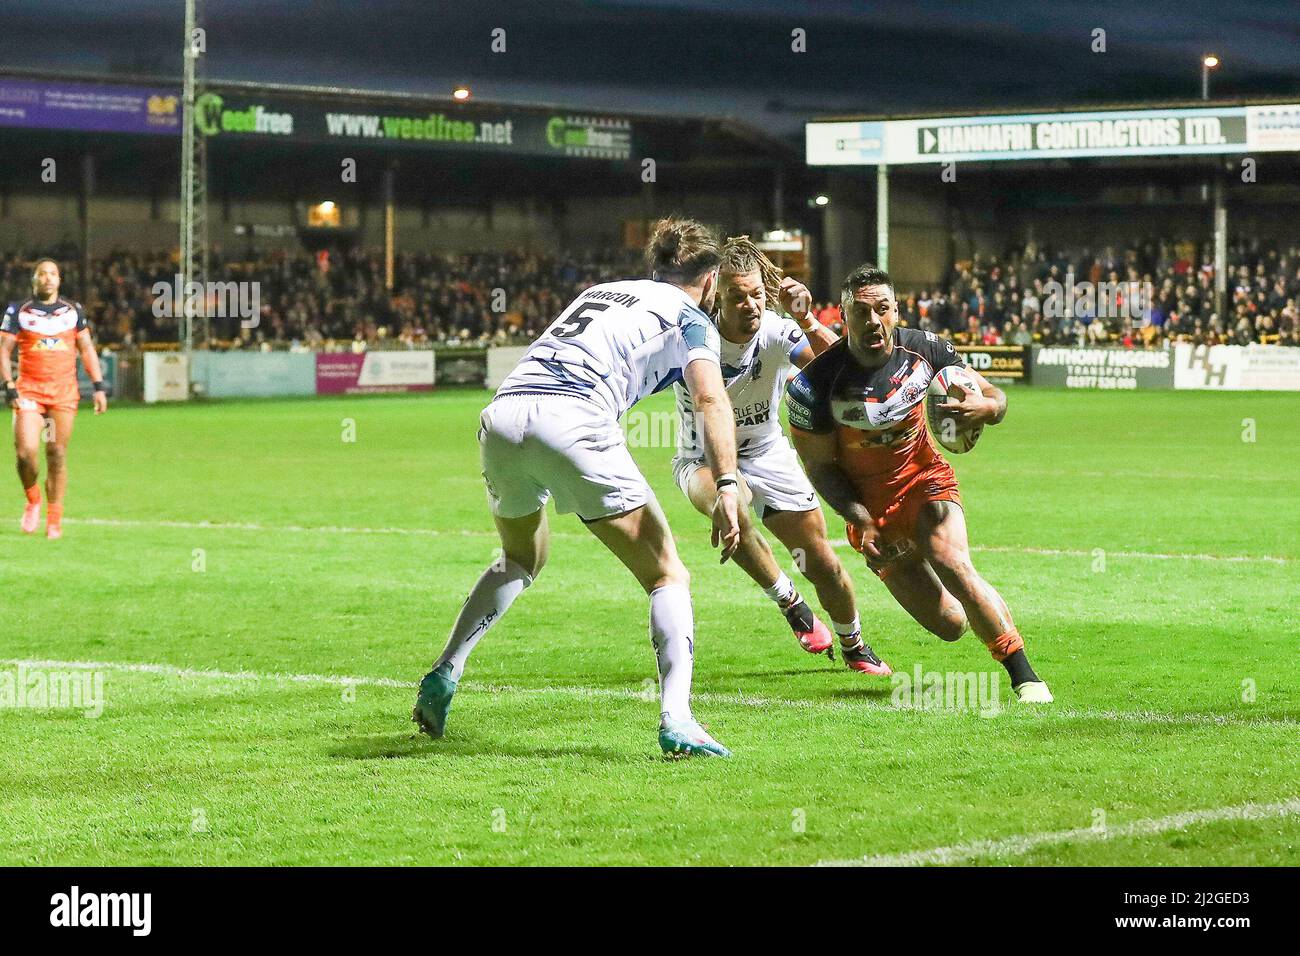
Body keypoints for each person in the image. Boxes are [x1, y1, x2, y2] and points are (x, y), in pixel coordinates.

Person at [413, 218, 743, 758]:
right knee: (666, 571)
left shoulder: (601, 292)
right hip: (574, 417)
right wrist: (727, 482)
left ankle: (446, 670)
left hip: (503, 415)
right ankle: (678, 719)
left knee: (520, 557)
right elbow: (711, 400)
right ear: (709, 283)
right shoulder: (690, 316)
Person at [786, 265, 1053, 703]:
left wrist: (988, 408)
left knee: (953, 562)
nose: (874, 321)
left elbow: (994, 397)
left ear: (896, 310)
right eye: (862, 312)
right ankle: (924, 574)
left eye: (883, 309)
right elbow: (820, 468)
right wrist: (861, 519)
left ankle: (1025, 677)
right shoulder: (813, 387)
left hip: (925, 480)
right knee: (950, 625)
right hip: (872, 514)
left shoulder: (925, 349)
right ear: (844, 316)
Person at [671, 237, 890, 674]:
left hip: (768, 451)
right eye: (738, 297)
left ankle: (854, 644)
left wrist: (807, 318)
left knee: (823, 564)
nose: (751, 305)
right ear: (716, 294)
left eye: (756, 294)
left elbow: (844, 369)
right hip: (704, 458)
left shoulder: (774, 329)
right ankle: (789, 602)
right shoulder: (692, 335)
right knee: (727, 503)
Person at [1, 258, 108, 539]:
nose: (48, 278)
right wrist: (9, 386)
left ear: (59, 280)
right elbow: (3, 351)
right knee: (26, 454)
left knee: (57, 454)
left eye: (53, 274)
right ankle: (33, 498)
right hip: (29, 391)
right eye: (42, 274)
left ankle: (54, 520)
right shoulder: (18, 311)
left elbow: (86, 348)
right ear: (34, 280)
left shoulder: (73, 311)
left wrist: (98, 386)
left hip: (63, 393)